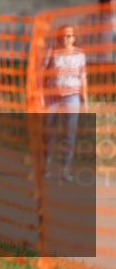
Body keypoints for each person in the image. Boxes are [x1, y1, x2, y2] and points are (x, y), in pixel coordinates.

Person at [41, 25, 88, 182]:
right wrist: (41, 95)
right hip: (52, 96)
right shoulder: (52, 51)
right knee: (48, 132)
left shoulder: (80, 54)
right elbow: (42, 73)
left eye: (69, 36)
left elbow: (83, 77)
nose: (65, 38)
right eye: (62, 35)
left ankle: (65, 170)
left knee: (69, 134)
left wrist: (85, 99)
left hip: (72, 96)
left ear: (74, 37)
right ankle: (45, 166)